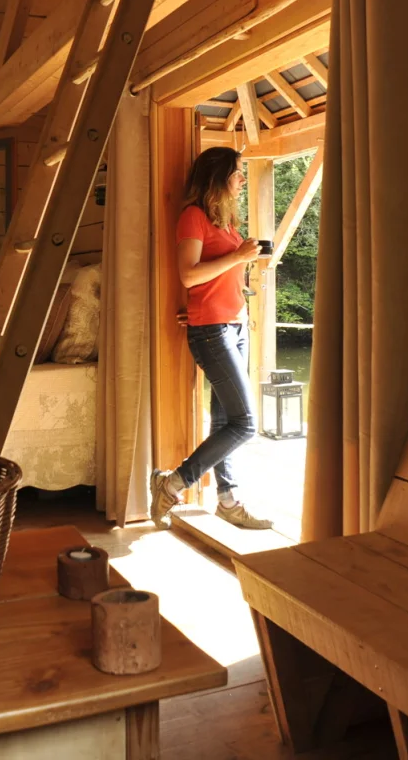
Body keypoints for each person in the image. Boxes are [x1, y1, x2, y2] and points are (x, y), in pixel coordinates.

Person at [150, 147, 273, 531]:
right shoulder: (193, 217)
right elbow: (188, 275)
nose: (241, 179)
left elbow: (215, 278)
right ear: (217, 177)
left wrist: (241, 265)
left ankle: (226, 500)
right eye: (237, 173)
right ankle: (172, 483)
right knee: (245, 422)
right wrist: (237, 258)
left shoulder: (226, 222)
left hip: (235, 327)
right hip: (213, 332)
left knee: (225, 422)